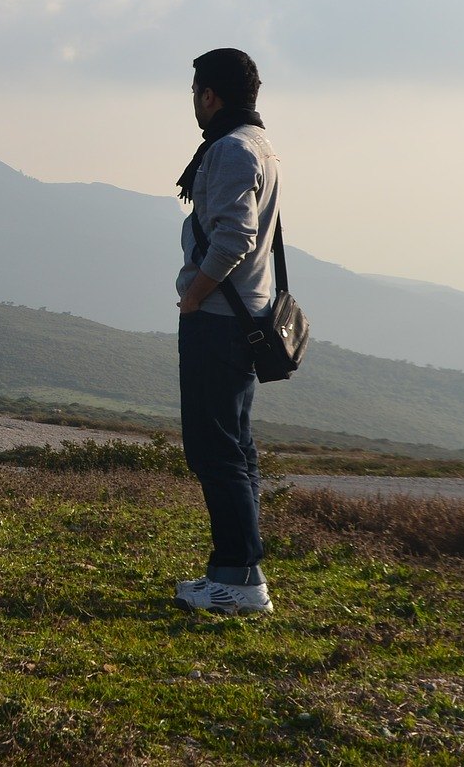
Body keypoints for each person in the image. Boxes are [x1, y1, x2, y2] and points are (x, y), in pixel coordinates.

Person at [172, 47, 278, 616]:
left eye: (195, 93)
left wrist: (194, 295)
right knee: (235, 446)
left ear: (210, 96)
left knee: (214, 449)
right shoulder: (258, 145)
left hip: (220, 321)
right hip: (243, 316)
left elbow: (234, 237)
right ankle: (237, 571)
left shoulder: (234, 150)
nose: (193, 103)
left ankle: (237, 579)